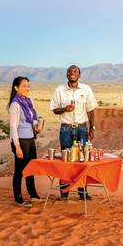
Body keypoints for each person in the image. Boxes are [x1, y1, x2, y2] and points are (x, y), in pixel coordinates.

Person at [49, 65, 98, 200]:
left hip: (82, 128)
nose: (72, 73)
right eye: (70, 71)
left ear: (79, 75)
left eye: (75, 71)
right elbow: (54, 109)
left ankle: (83, 193)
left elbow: (90, 110)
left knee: (83, 160)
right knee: (66, 161)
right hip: (66, 129)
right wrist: (64, 108)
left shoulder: (86, 89)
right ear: (66, 74)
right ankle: (64, 194)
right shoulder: (60, 90)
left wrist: (92, 128)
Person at [8, 76, 41, 207]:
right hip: (20, 141)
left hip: (30, 139)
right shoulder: (15, 104)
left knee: (31, 168)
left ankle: (33, 195)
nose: (27, 88)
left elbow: (33, 118)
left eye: (28, 85)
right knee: (20, 170)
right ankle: (18, 198)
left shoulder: (29, 101)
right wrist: (17, 147)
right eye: (24, 86)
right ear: (16, 88)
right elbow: (13, 128)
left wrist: (36, 126)